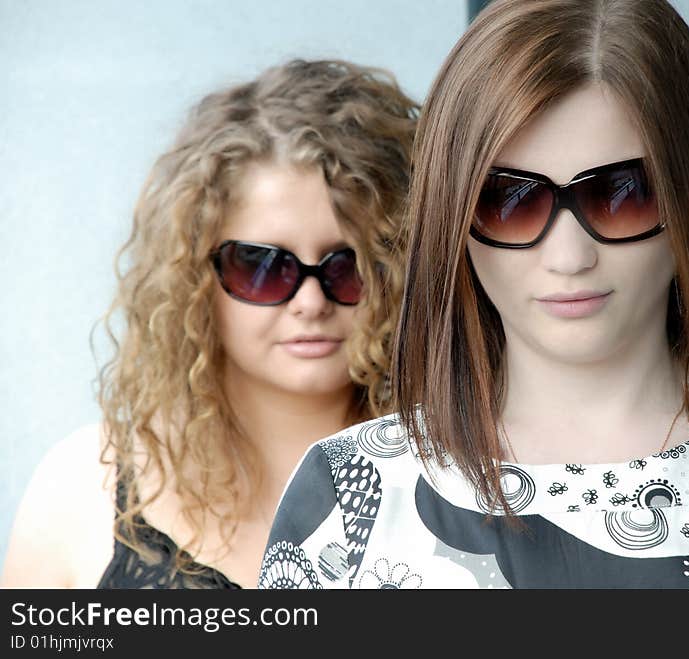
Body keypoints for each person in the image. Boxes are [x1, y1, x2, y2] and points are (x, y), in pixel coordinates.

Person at [259, 0, 689, 589]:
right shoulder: (347, 497)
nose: (569, 256)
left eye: (622, 194)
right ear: (452, 216)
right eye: (508, 200)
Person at [2, 59, 417, 588]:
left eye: (350, 265)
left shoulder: (471, 487)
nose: (311, 302)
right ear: (193, 278)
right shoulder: (83, 486)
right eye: (265, 266)